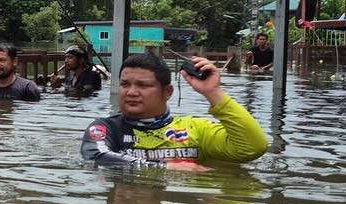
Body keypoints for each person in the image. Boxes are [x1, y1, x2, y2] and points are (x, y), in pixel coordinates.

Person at [81, 53, 268, 170]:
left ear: (167, 92)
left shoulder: (195, 129)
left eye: (143, 85)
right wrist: (165, 167)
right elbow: (96, 157)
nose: (131, 92)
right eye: (124, 84)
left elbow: (252, 148)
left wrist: (214, 92)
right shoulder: (105, 128)